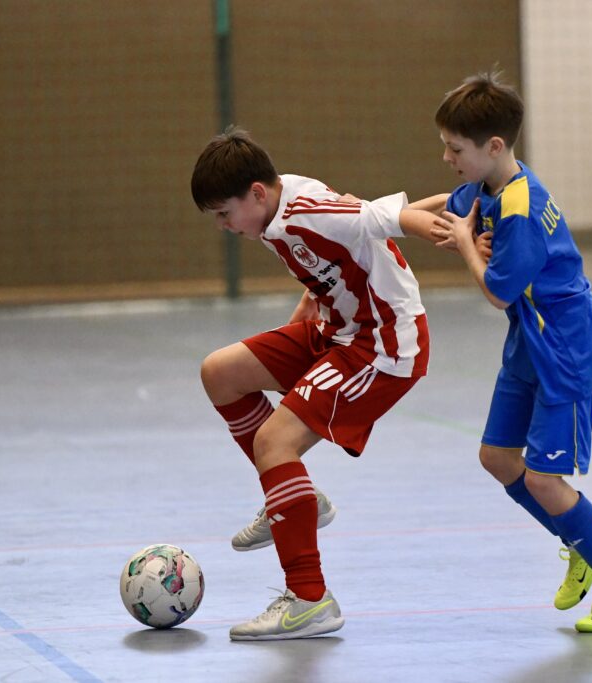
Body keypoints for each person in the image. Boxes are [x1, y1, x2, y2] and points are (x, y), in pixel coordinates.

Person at [191, 127, 446, 640]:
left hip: (383, 345)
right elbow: (329, 271)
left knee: (273, 441)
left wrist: (451, 229)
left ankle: (310, 599)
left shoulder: (304, 211)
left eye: (224, 213)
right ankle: (294, 493)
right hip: (337, 330)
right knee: (220, 372)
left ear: (256, 193)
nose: (222, 226)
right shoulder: (273, 212)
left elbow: (382, 219)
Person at [428, 72, 592, 633]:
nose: (447, 157)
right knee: (497, 457)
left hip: (566, 346)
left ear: (494, 147)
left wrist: (463, 245)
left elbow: (496, 291)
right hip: (531, 339)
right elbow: (449, 204)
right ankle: (581, 540)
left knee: (542, 479)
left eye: (455, 149)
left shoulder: (521, 209)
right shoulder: (490, 185)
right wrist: (379, 216)